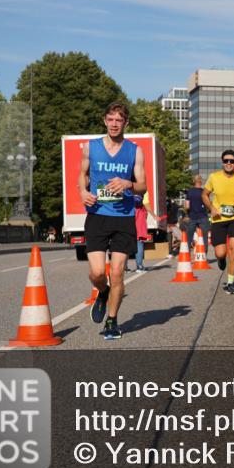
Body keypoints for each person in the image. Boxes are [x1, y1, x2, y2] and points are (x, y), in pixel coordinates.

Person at [79, 102, 146, 340]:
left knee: (117, 272)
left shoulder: (134, 151)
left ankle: (112, 321)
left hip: (124, 217)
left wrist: (129, 184)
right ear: (105, 120)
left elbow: (143, 186)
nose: (114, 124)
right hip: (97, 215)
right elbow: (82, 174)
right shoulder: (91, 148)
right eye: (110, 119)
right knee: (97, 273)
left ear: (126, 123)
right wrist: (82, 192)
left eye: (119, 120)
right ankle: (103, 292)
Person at [202, 150, 234, 294]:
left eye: (232, 161)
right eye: (226, 161)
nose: (229, 163)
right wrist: (211, 208)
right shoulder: (214, 177)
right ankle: (221, 260)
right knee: (220, 253)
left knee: (233, 249)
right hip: (218, 219)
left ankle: (230, 282)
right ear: (222, 162)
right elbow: (204, 194)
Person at [129, 194, 158, 272]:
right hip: (141, 231)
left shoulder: (130, 209)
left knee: (125, 248)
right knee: (139, 246)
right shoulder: (143, 210)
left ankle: (124, 268)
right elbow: (146, 216)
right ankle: (139, 266)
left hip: (129, 230)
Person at [183, 175, 209, 251]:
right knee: (204, 238)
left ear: (193, 181)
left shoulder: (190, 192)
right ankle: (204, 257)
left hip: (192, 217)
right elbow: (208, 204)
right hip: (203, 216)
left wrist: (187, 213)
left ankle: (186, 256)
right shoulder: (204, 192)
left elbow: (187, 206)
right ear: (201, 181)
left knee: (189, 238)